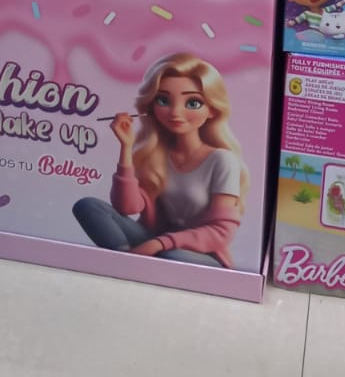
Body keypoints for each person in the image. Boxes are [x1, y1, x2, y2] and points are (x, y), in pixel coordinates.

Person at [72, 53, 248, 268]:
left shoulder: (222, 160)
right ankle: (128, 262)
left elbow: (221, 232)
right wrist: (126, 147)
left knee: (170, 256)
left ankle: (129, 263)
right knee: (88, 206)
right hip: (153, 242)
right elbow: (127, 207)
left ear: (212, 109)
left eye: (192, 103)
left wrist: (160, 243)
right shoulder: (155, 155)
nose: (175, 112)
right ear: (151, 107)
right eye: (163, 100)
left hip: (200, 254)